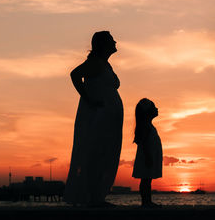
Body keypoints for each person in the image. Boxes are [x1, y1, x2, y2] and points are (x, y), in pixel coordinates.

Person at [64, 31, 123, 207]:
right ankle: (92, 199)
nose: (115, 42)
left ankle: (98, 197)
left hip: (108, 119)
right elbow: (74, 75)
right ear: (104, 44)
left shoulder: (104, 64)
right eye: (112, 40)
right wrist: (88, 98)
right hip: (98, 118)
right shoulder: (95, 63)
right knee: (96, 154)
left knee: (106, 155)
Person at [132, 98, 163, 207]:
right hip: (147, 157)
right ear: (148, 112)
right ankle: (146, 202)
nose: (156, 109)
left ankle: (147, 201)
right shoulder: (146, 127)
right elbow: (144, 144)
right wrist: (148, 156)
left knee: (147, 180)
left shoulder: (148, 126)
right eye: (154, 107)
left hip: (149, 156)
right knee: (146, 180)